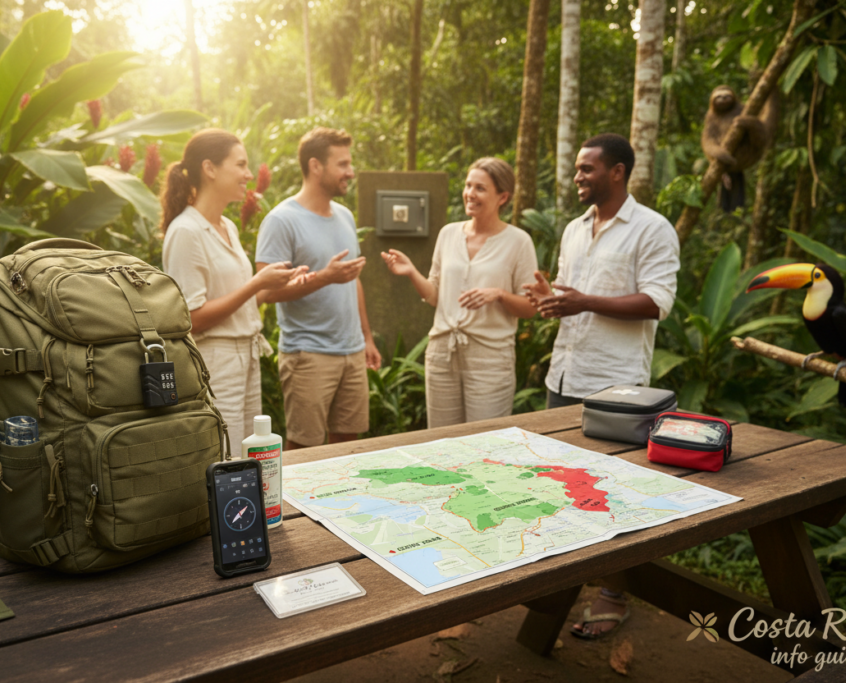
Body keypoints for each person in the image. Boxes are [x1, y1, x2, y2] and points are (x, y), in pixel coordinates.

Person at [524, 133, 680, 638]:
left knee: (610, 491)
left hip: (618, 386)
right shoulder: (573, 230)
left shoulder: (652, 229)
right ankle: (553, 580)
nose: (577, 177)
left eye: (588, 168)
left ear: (618, 172)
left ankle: (612, 593)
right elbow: (576, 296)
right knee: (553, 481)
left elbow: (656, 303)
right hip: (565, 374)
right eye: (577, 168)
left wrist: (584, 301)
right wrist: (553, 299)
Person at [161, 129, 309, 450]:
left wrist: (276, 285)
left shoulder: (227, 226)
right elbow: (191, 318)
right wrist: (257, 283)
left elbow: (239, 301)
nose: (249, 174)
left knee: (246, 453)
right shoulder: (186, 231)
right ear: (209, 169)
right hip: (215, 360)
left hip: (247, 354)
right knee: (222, 452)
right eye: (240, 165)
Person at [381, 158, 538, 427]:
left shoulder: (518, 241)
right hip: (442, 353)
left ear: (503, 196)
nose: (470, 193)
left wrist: (499, 294)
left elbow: (531, 307)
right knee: (441, 442)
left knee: (485, 442)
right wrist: (411, 272)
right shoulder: (448, 234)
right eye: (468, 185)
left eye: (480, 188)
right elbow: (434, 296)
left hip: (490, 358)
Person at [255, 127, 381, 449]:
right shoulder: (281, 220)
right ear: (315, 166)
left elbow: (352, 279)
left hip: (352, 353)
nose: (350, 172)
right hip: (307, 355)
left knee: (347, 449)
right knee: (304, 450)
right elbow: (264, 293)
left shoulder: (345, 216)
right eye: (342, 164)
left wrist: (366, 337)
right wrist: (325, 277)